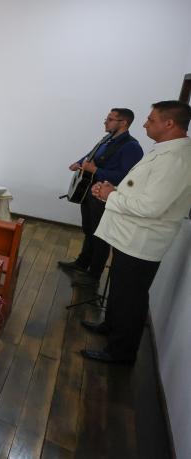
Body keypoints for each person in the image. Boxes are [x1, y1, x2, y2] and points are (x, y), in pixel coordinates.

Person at [81, 100, 191, 365]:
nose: (144, 124)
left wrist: (110, 197)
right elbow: (141, 191)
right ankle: (110, 326)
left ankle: (121, 352)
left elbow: (152, 207)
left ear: (169, 123)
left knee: (131, 298)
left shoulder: (175, 158)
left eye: (151, 120)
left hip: (141, 242)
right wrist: (114, 191)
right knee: (120, 290)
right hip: (129, 237)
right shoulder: (164, 151)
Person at [58, 108, 144, 287]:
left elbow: (127, 177)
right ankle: (82, 263)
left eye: (111, 119)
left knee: (100, 235)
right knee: (89, 229)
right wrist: (79, 162)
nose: (106, 122)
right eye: (107, 118)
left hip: (105, 197)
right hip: (90, 192)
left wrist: (96, 170)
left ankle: (94, 274)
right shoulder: (107, 139)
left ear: (124, 123)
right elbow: (92, 154)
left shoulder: (131, 147)